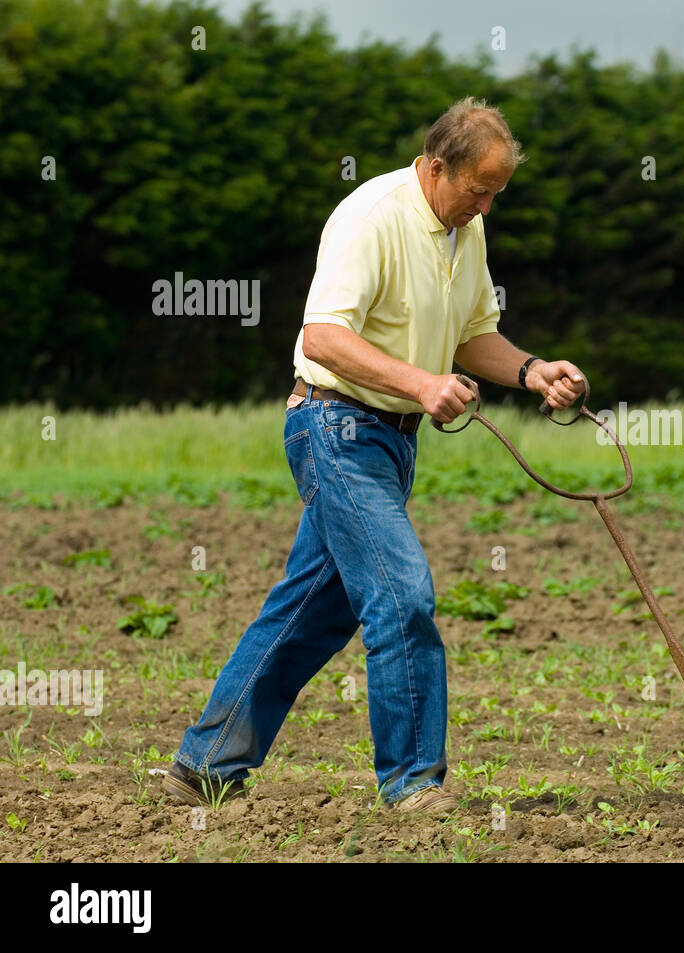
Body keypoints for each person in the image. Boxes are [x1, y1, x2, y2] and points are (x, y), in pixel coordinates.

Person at [165, 97, 585, 815]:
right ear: (434, 166)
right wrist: (421, 382)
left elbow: (472, 336)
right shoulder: (372, 216)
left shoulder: (466, 230)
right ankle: (414, 783)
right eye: (478, 188)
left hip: (389, 442)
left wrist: (530, 370)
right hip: (334, 428)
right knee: (401, 595)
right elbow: (323, 336)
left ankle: (205, 764)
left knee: (311, 614)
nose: (486, 205)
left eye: (497, 193)